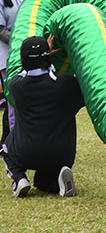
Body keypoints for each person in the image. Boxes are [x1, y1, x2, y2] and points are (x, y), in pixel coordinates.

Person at [1, 35, 83, 197]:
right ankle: (59, 179)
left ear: (21, 59)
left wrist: (43, 55)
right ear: (49, 56)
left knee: (5, 146)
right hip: (62, 153)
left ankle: (19, 178)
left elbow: (22, 72)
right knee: (44, 181)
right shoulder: (66, 83)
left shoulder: (16, 85)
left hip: (27, 153)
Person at [1, 0, 30, 146]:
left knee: (27, 100)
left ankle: (14, 140)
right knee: (13, 102)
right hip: (7, 55)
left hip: (29, 55)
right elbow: (0, 30)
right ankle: (13, 144)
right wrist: (23, 41)